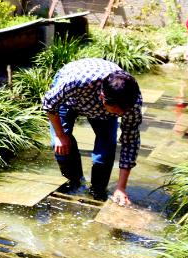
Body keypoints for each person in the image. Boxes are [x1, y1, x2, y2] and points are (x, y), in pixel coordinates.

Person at [42, 58, 142, 206]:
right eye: (116, 111)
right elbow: (49, 103)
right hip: (71, 100)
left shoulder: (131, 103)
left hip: (100, 108)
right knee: (61, 146)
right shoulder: (74, 83)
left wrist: (121, 187)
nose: (121, 115)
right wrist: (60, 135)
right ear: (103, 98)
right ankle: (75, 183)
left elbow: (130, 142)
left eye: (124, 111)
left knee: (106, 151)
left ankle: (97, 191)